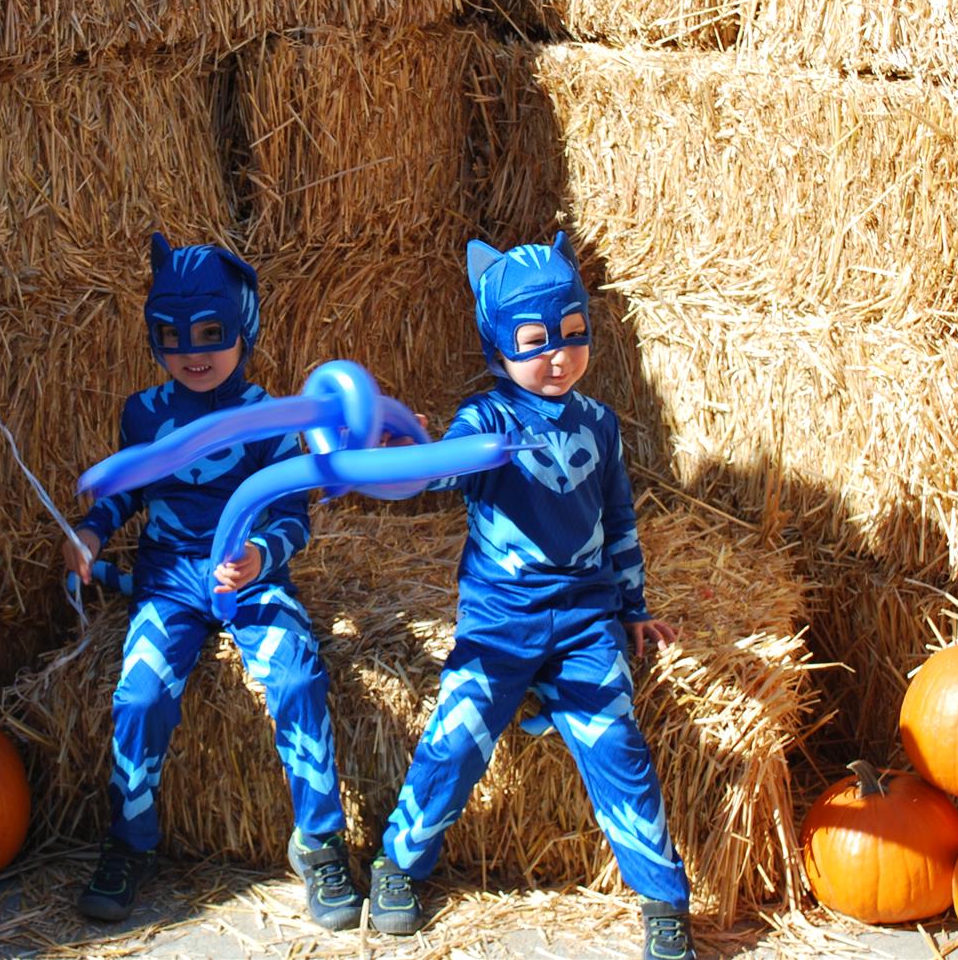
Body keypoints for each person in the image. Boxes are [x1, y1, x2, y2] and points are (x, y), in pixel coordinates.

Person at [368, 233, 696, 960]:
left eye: (574, 334)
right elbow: (433, 477)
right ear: (498, 344)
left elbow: (618, 521)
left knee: (616, 743)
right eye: (536, 339)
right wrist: (413, 453)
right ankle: (399, 861)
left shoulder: (600, 425)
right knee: (457, 730)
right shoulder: (486, 422)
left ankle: (665, 898)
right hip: (500, 620)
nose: (559, 354)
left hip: (585, 619)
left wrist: (633, 607)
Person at [63, 232, 363, 929]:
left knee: (295, 678)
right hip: (169, 582)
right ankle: (130, 839)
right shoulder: (145, 413)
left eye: (212, 332)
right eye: (173, 336)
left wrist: (260, 554)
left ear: (242, 328)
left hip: (251, 584)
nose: (194, 352)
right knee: (139, 694)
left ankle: (319, 840)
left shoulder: (270, 417)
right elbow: (123, 492)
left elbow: (294, 513)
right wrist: (89, 533)